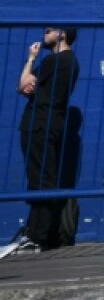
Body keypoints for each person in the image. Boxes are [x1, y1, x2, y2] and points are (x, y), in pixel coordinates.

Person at [12, 26, 80, 254]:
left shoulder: (54, 61)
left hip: (39, 123)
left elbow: (22, 87)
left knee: (40, 178)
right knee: (44, 175)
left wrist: (31, 59)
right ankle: (39, 233)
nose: (44, 32)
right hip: (52, 124)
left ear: (62, 34)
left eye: (49, 29)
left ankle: (38, 237)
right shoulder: (72, 62)